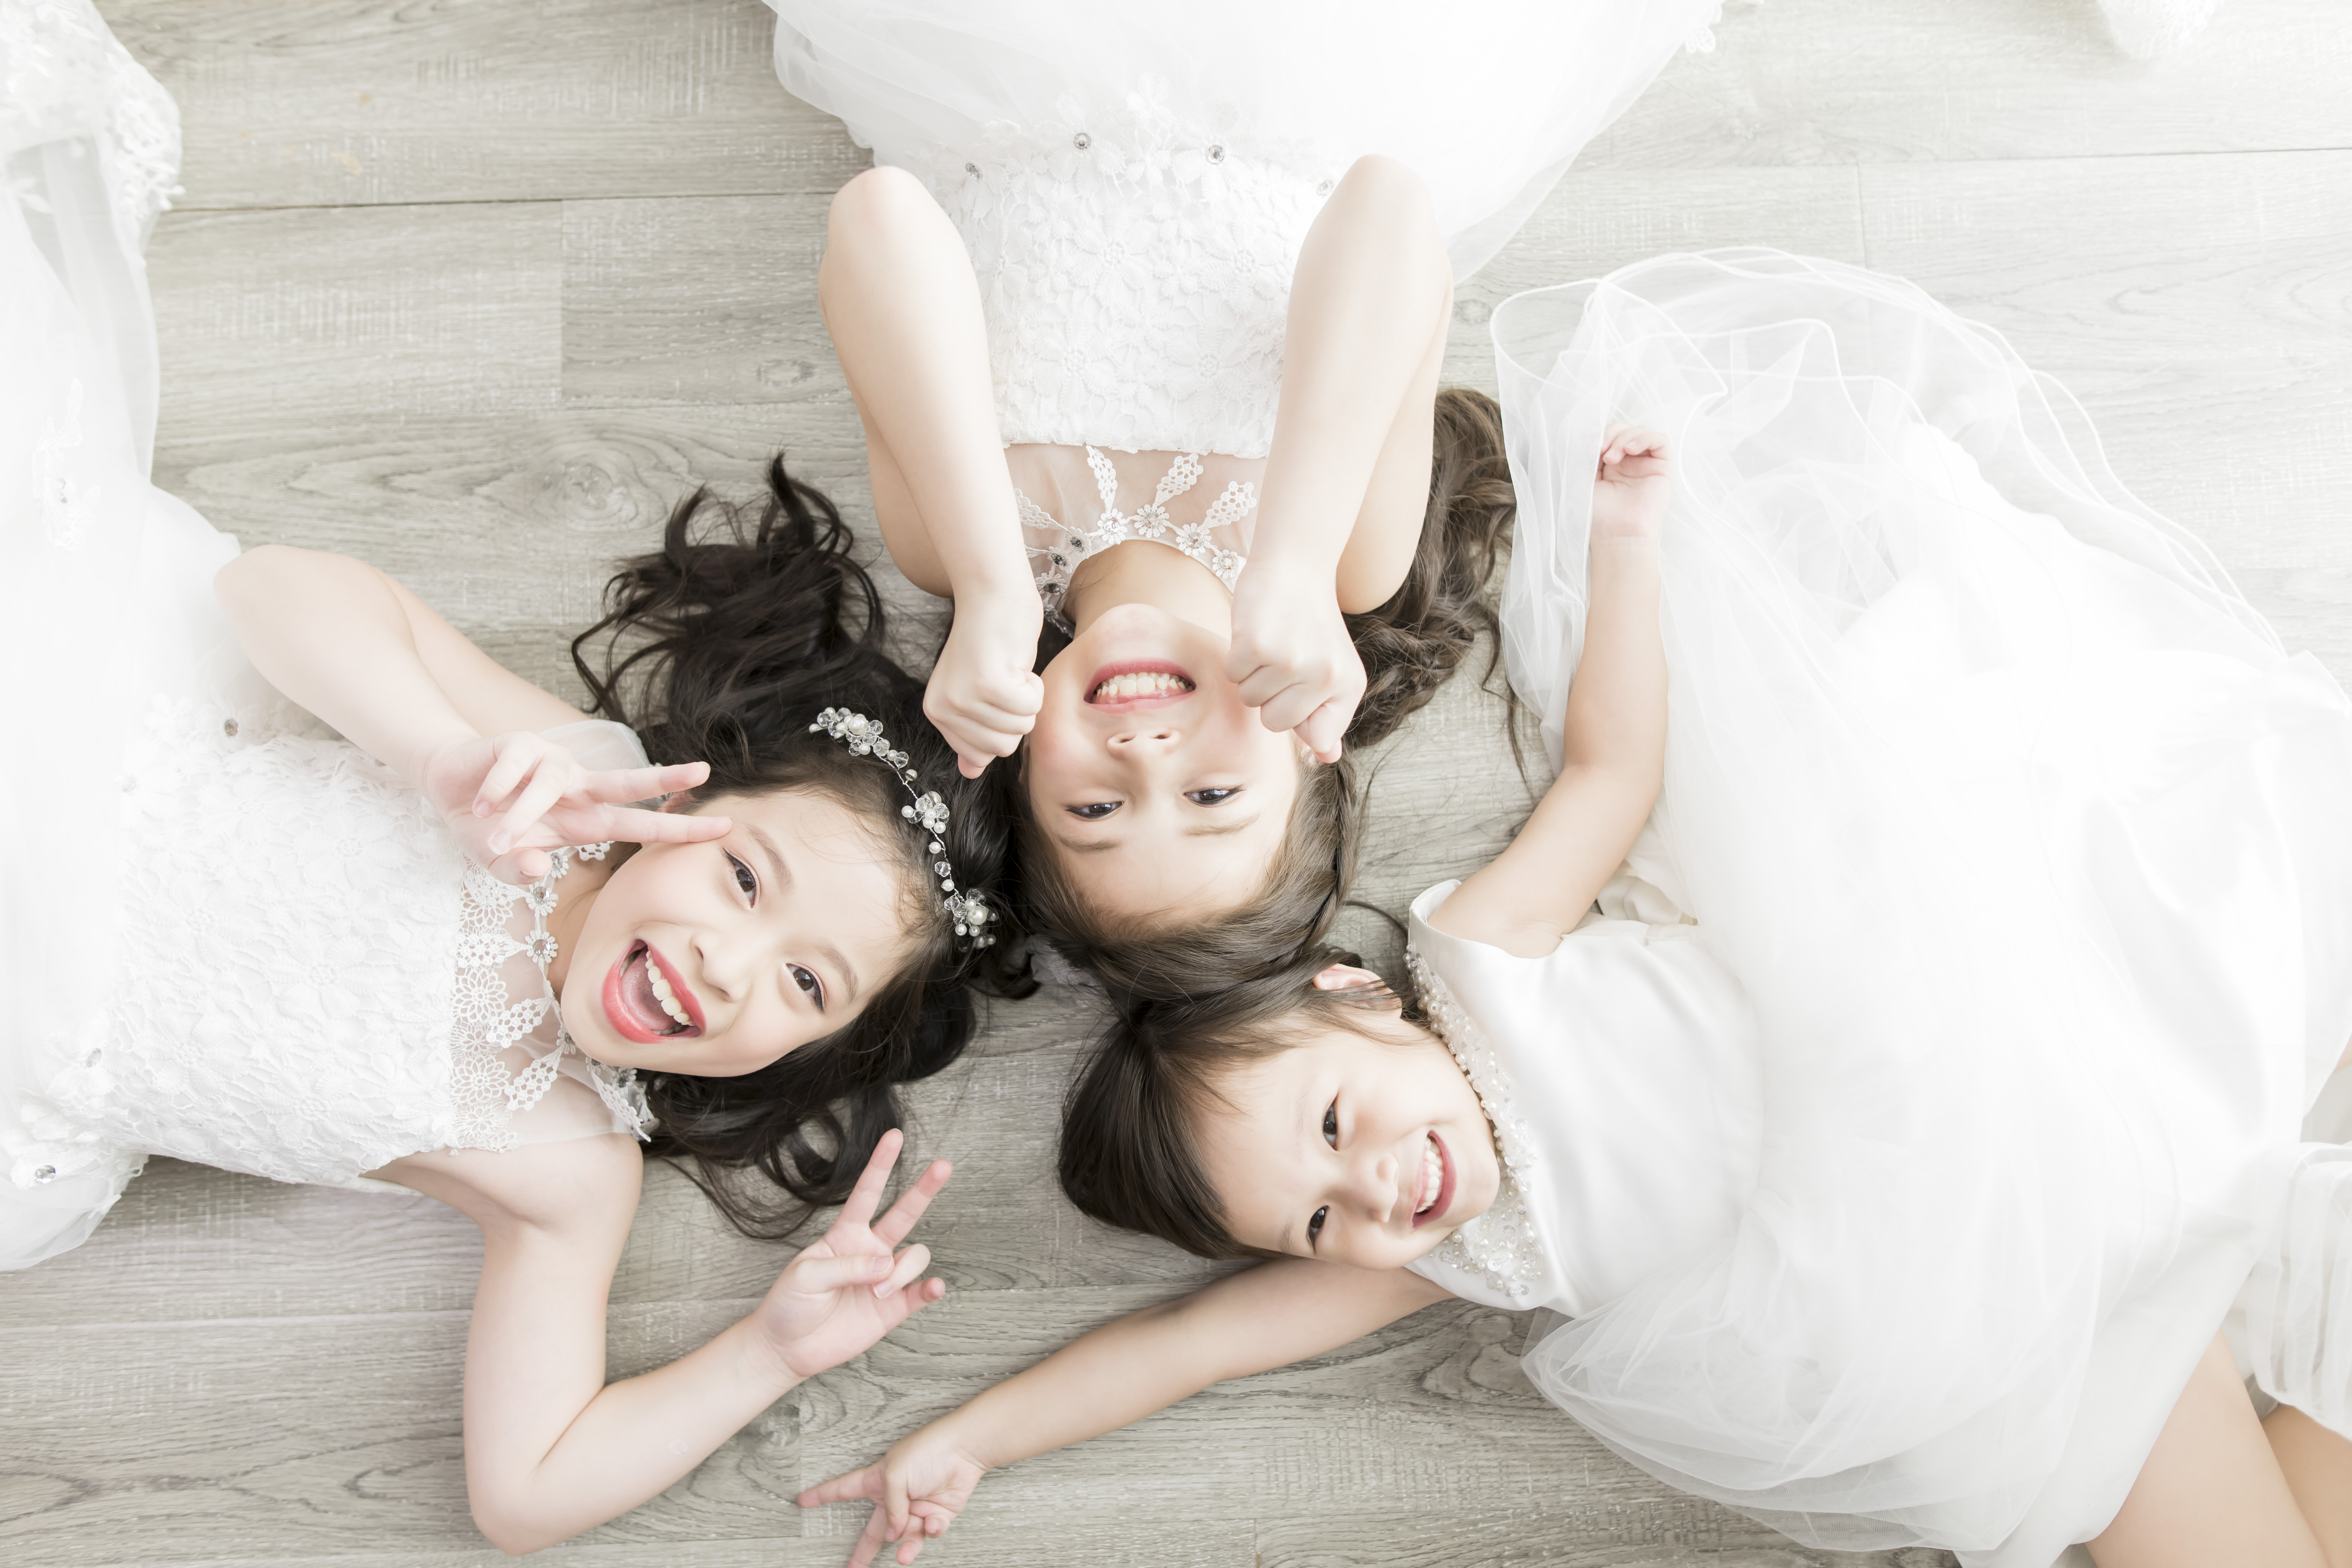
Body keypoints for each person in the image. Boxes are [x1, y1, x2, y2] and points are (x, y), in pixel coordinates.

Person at [799, 252, 2352, 1568]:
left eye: (1338, 1128)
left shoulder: (1483, 960)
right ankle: (2281, 1275)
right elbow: (1187, 1345)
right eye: (1318, 1221)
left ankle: (2268, 1261)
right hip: (1961, 1313)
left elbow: (1614, 769)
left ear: (1357, 999)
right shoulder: (1452, 1255)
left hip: (1968, 1104)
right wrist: (973, 1437)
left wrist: (1625, 555)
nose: (1375, 1192)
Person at [1, 0, 1016, 1548]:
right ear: (691, 806)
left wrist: (769, 1349)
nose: (728, 965)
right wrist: (443, 755)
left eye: (806, 990)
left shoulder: (566, 1168)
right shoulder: (569, 780)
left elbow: (524, 1490)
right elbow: (267, 591)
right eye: (747, 879)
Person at [769, 0, 1723, 987]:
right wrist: (1295, 563)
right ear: (1312, 750)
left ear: (1015, 768)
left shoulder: (959, 549)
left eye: (1093, 812)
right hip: (1300, 59)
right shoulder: (1350, 560)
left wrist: (992, 589)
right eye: (1212, 793)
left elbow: (879, 216)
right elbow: (1389, 207)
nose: (1144, 755)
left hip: (1012, 60)